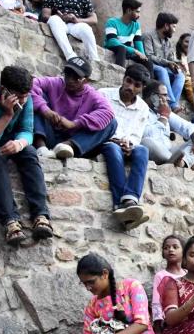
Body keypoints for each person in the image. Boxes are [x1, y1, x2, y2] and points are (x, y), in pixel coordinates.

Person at [0, 65, 54, 246]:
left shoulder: (27, 99)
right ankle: (10, 221)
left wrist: (19, 143)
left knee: (30, 153)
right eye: (20, 97)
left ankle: (41, 215)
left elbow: (27, 130)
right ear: (4, 90)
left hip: (16, 143)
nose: (24, 101)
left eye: (26, 96)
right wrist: (7, 115)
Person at [97, 64, 154, 229]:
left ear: (142, 88)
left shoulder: (143, 108)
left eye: (136, 85)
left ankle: (130, 199)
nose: (130, 87)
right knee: (114, 150)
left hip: (127, 144)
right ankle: (119, 204)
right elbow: (98, 123)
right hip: (105, 141)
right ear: (123, 79)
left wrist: (130, 145)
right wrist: (115, 139)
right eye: (128, 81)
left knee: (143, 150)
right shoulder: (104, 95)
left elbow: (137, 135)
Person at [30, 56, 117, 161]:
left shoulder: (93, 95)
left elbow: (108, 112)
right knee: (37, 97)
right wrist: (45, 110)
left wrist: (74, 124)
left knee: (112, 123)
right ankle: (41, 148)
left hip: (74, 143)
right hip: (49, 134)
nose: (70, 80)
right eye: (67, 74)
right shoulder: (56, 82)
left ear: (86, 81)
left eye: (76, 78)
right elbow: (31, 84)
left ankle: (66, 146)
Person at [40, 0, 100, 65]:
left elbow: (94, 19)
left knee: (86, 28)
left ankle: (94, 59)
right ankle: (71, 56)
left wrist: (77, 20)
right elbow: (45, 15)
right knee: (54, 19)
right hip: (59, 24)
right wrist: (60, 17)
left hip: (76, 25)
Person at [142, 12, 185, 108]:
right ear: (166, 26)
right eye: (173, 27)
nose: (174, 30)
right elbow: (148, 56)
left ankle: (170, 105)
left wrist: (177, 64)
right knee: (163, 70)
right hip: (149, 65)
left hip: (163, 68)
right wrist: (167, 63)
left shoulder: (168, 42)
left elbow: (170, 59)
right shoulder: (148, 35)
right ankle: (173, 105)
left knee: (180, 75)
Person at [150, 235, 185, 334]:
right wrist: (158, 328)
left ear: (184, 251)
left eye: (175, 247)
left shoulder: (187, 274)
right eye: (166, 248)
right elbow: (156, 303)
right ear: (163, 253)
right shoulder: (160, 276)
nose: (170, 250)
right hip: (169, 323)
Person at [103, 0, 149, 68]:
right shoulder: (112, 22)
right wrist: (134, 51)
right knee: (122, 48)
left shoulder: (136, 25)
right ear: (128, 11)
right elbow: (112, 42)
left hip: (127, 51)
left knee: (147, 61)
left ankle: (147, 79)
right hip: (114, 49)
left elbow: (139, 45)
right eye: (137, 12)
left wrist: (143, 57)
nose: (139, 15)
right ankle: (119, 75)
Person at [175, 32, 194, 113]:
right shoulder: (175, 55)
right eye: (186, 42)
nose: (189, 45)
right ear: (181, 42)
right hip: (186, 79)